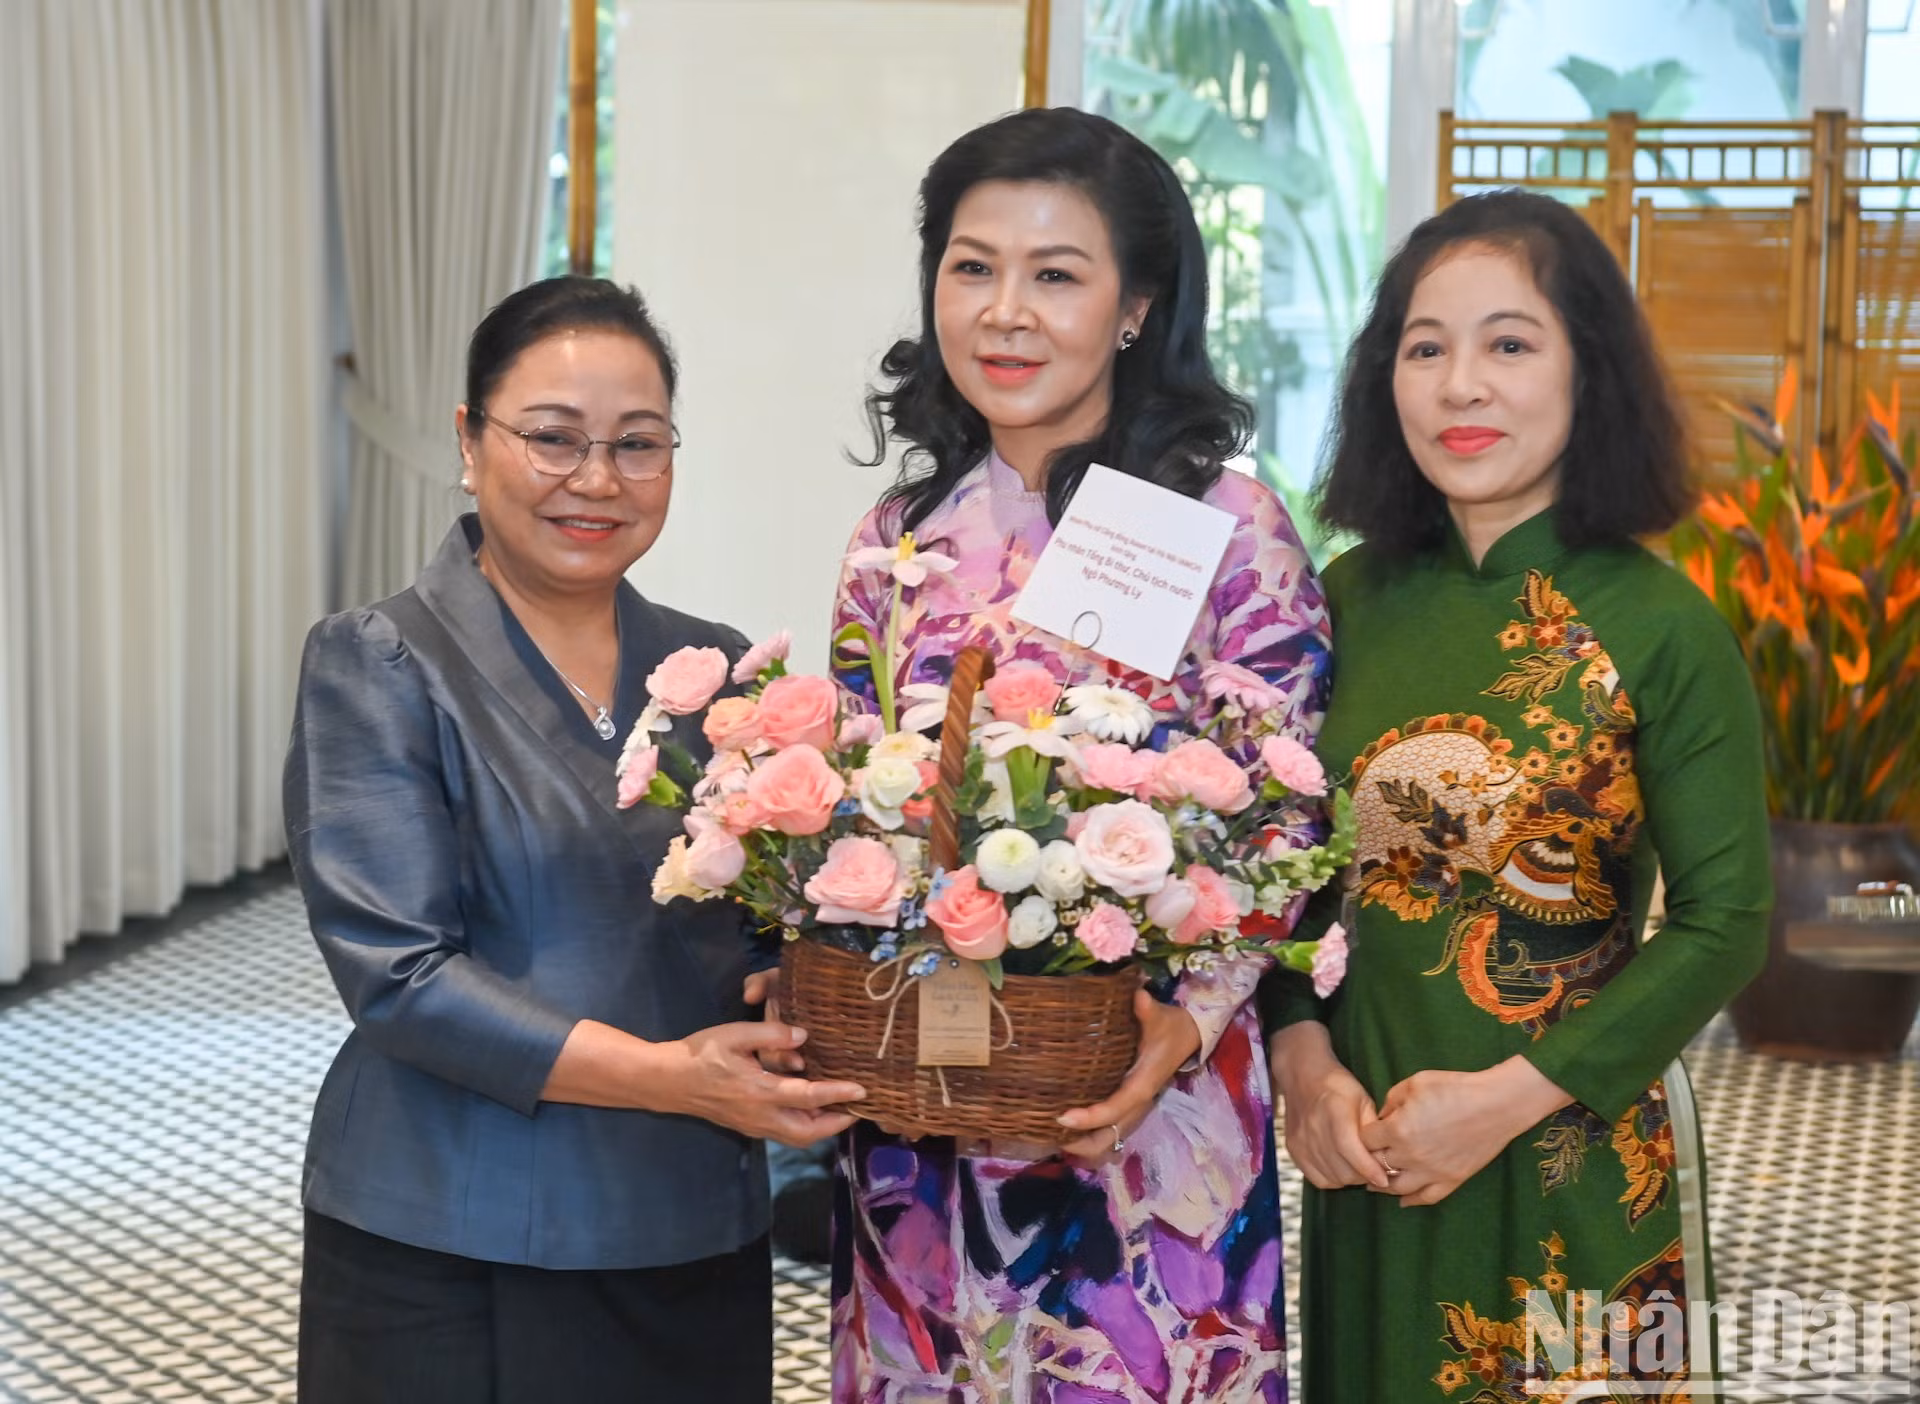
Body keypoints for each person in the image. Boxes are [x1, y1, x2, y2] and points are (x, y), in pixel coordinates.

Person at [284, 276, 863, 1404]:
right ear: (469, 439)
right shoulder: (380, 661)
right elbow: (401, 977)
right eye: (553, 439)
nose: (597, 480)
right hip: (457, 1232)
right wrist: (669, 1078)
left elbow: (767, 932)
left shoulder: (714, 675)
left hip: (690, 1213)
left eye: (637, 444)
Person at [827, 107, 1331, 1402]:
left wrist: (1186, 1021)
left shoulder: (1227, 527)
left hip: (1143, 1111)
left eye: (1055, 275)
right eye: (971, 265)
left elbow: (1285, 818)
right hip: (925, 1118)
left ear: (1133, 309)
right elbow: (849, 807)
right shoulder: (903, 533)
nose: (1005, 311)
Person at [1257, 189, 1772, 1401]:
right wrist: (1300, 1060)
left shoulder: (1660, 623)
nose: (1460, 386)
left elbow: (1729, 919)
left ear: (1587, 370)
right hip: (1369, 1148)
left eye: (1509, 343)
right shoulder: (1344, 601)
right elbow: (1279, 874)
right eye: (1424, 348)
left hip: (1573, 1147)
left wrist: (1502, 1102)